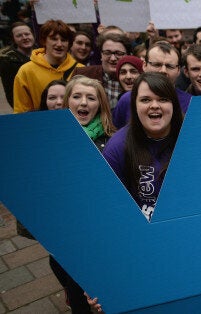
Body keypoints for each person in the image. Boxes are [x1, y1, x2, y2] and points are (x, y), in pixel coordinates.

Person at [51, 75, 116, 313]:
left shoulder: (111, 139)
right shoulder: (53, 139)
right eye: (77, 96)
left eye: (91, 97)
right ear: (67, 101)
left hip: (101, 228)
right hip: (67, 228)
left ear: (100, 104)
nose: (84, 102)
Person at [103, 72, 183, 222]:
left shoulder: (191, 136)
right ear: (134, 105)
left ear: (174, 105)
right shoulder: (116, 148)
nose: (154, 105)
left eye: (163, 99)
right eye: (145, 100)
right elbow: (110, 207)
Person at [112, 41, 191, 129]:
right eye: (157, 65)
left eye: (169, 66)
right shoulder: (127, 100)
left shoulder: (191, 103)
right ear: (144, 66)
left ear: (178, 70)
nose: (163, 71)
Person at [13, 19, 81, 113]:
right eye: (54, 39)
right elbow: (21, 111)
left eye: (64, 40)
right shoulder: (26, 71)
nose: (59, 44)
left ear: (69, 43)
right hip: (40, 125)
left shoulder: (81, 70)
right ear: (44, 40)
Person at [73, 32, 132, 108]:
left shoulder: (136, 79)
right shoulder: (82, 74)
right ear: (101, 55)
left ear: (128, 55)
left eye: (119, 53)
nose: (113, 58)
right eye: (107, 53)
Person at [0, 22, 35, 107]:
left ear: (33, 35)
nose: (24, 38)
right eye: (19, 36)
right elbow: (10, 92)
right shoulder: (7, 60)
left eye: (27, 34)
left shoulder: (43, 53)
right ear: (13, 39)